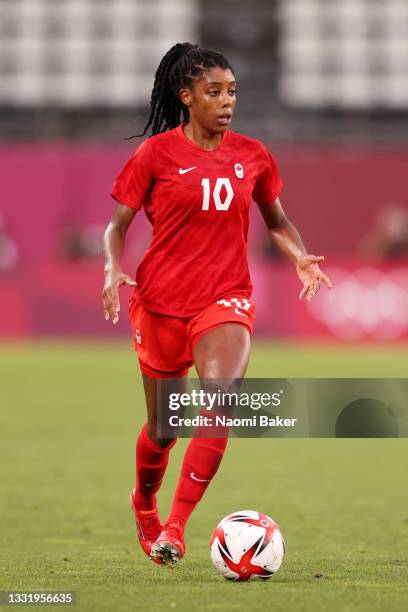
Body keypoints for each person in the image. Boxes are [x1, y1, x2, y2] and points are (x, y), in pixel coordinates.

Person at [102, 42, 332, 566]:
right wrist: (113, 267)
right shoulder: (155, 155)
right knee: (163, 428)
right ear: (187, 97)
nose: (227, 101)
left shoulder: (252, 154)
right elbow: (117, 228)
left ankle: (176, 529)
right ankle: (144, 503)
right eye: (214, 92)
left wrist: (299, 255)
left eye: (232, 91)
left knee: (219, 400)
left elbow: (276, 220)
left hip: (224, 299)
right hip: (160, 302)